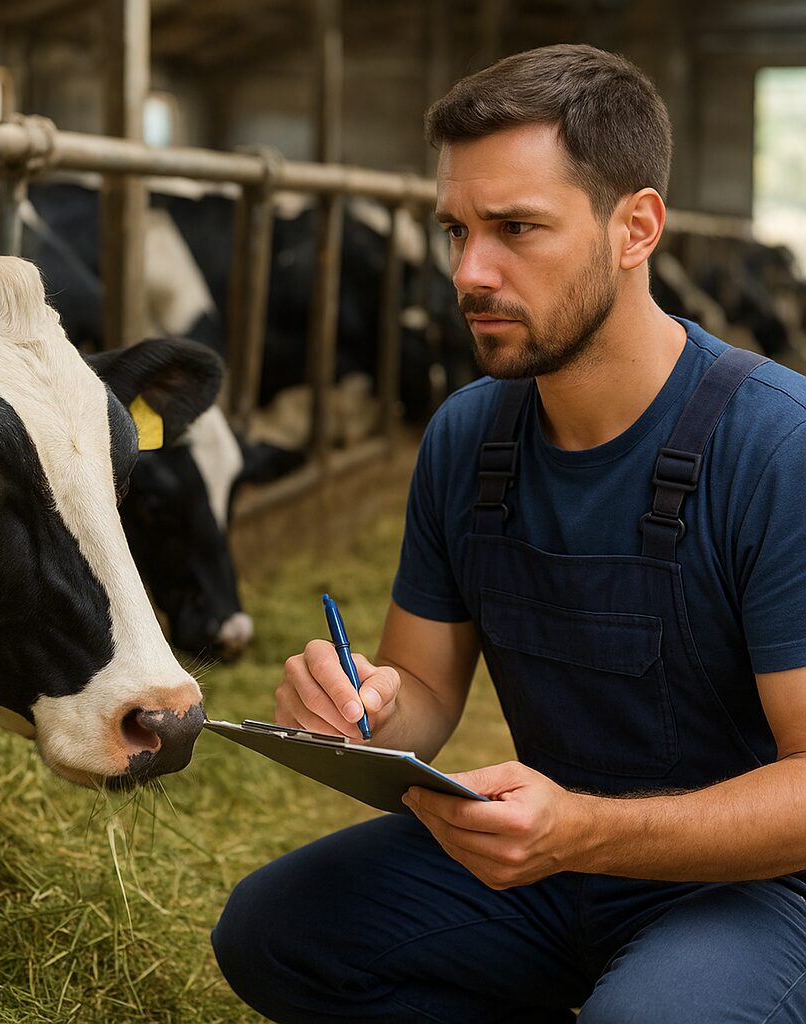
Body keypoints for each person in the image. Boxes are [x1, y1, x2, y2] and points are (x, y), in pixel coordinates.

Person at [210, 42, 806, 1023]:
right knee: (273, 933)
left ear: (635, 228)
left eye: (515, 228)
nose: (469, 272)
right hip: (549, 858)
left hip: (756, 888)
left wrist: (583, 831)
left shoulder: (774, 447)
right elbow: (425, 699)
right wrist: (356, 713)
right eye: (454, 229)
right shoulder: (467, 435)